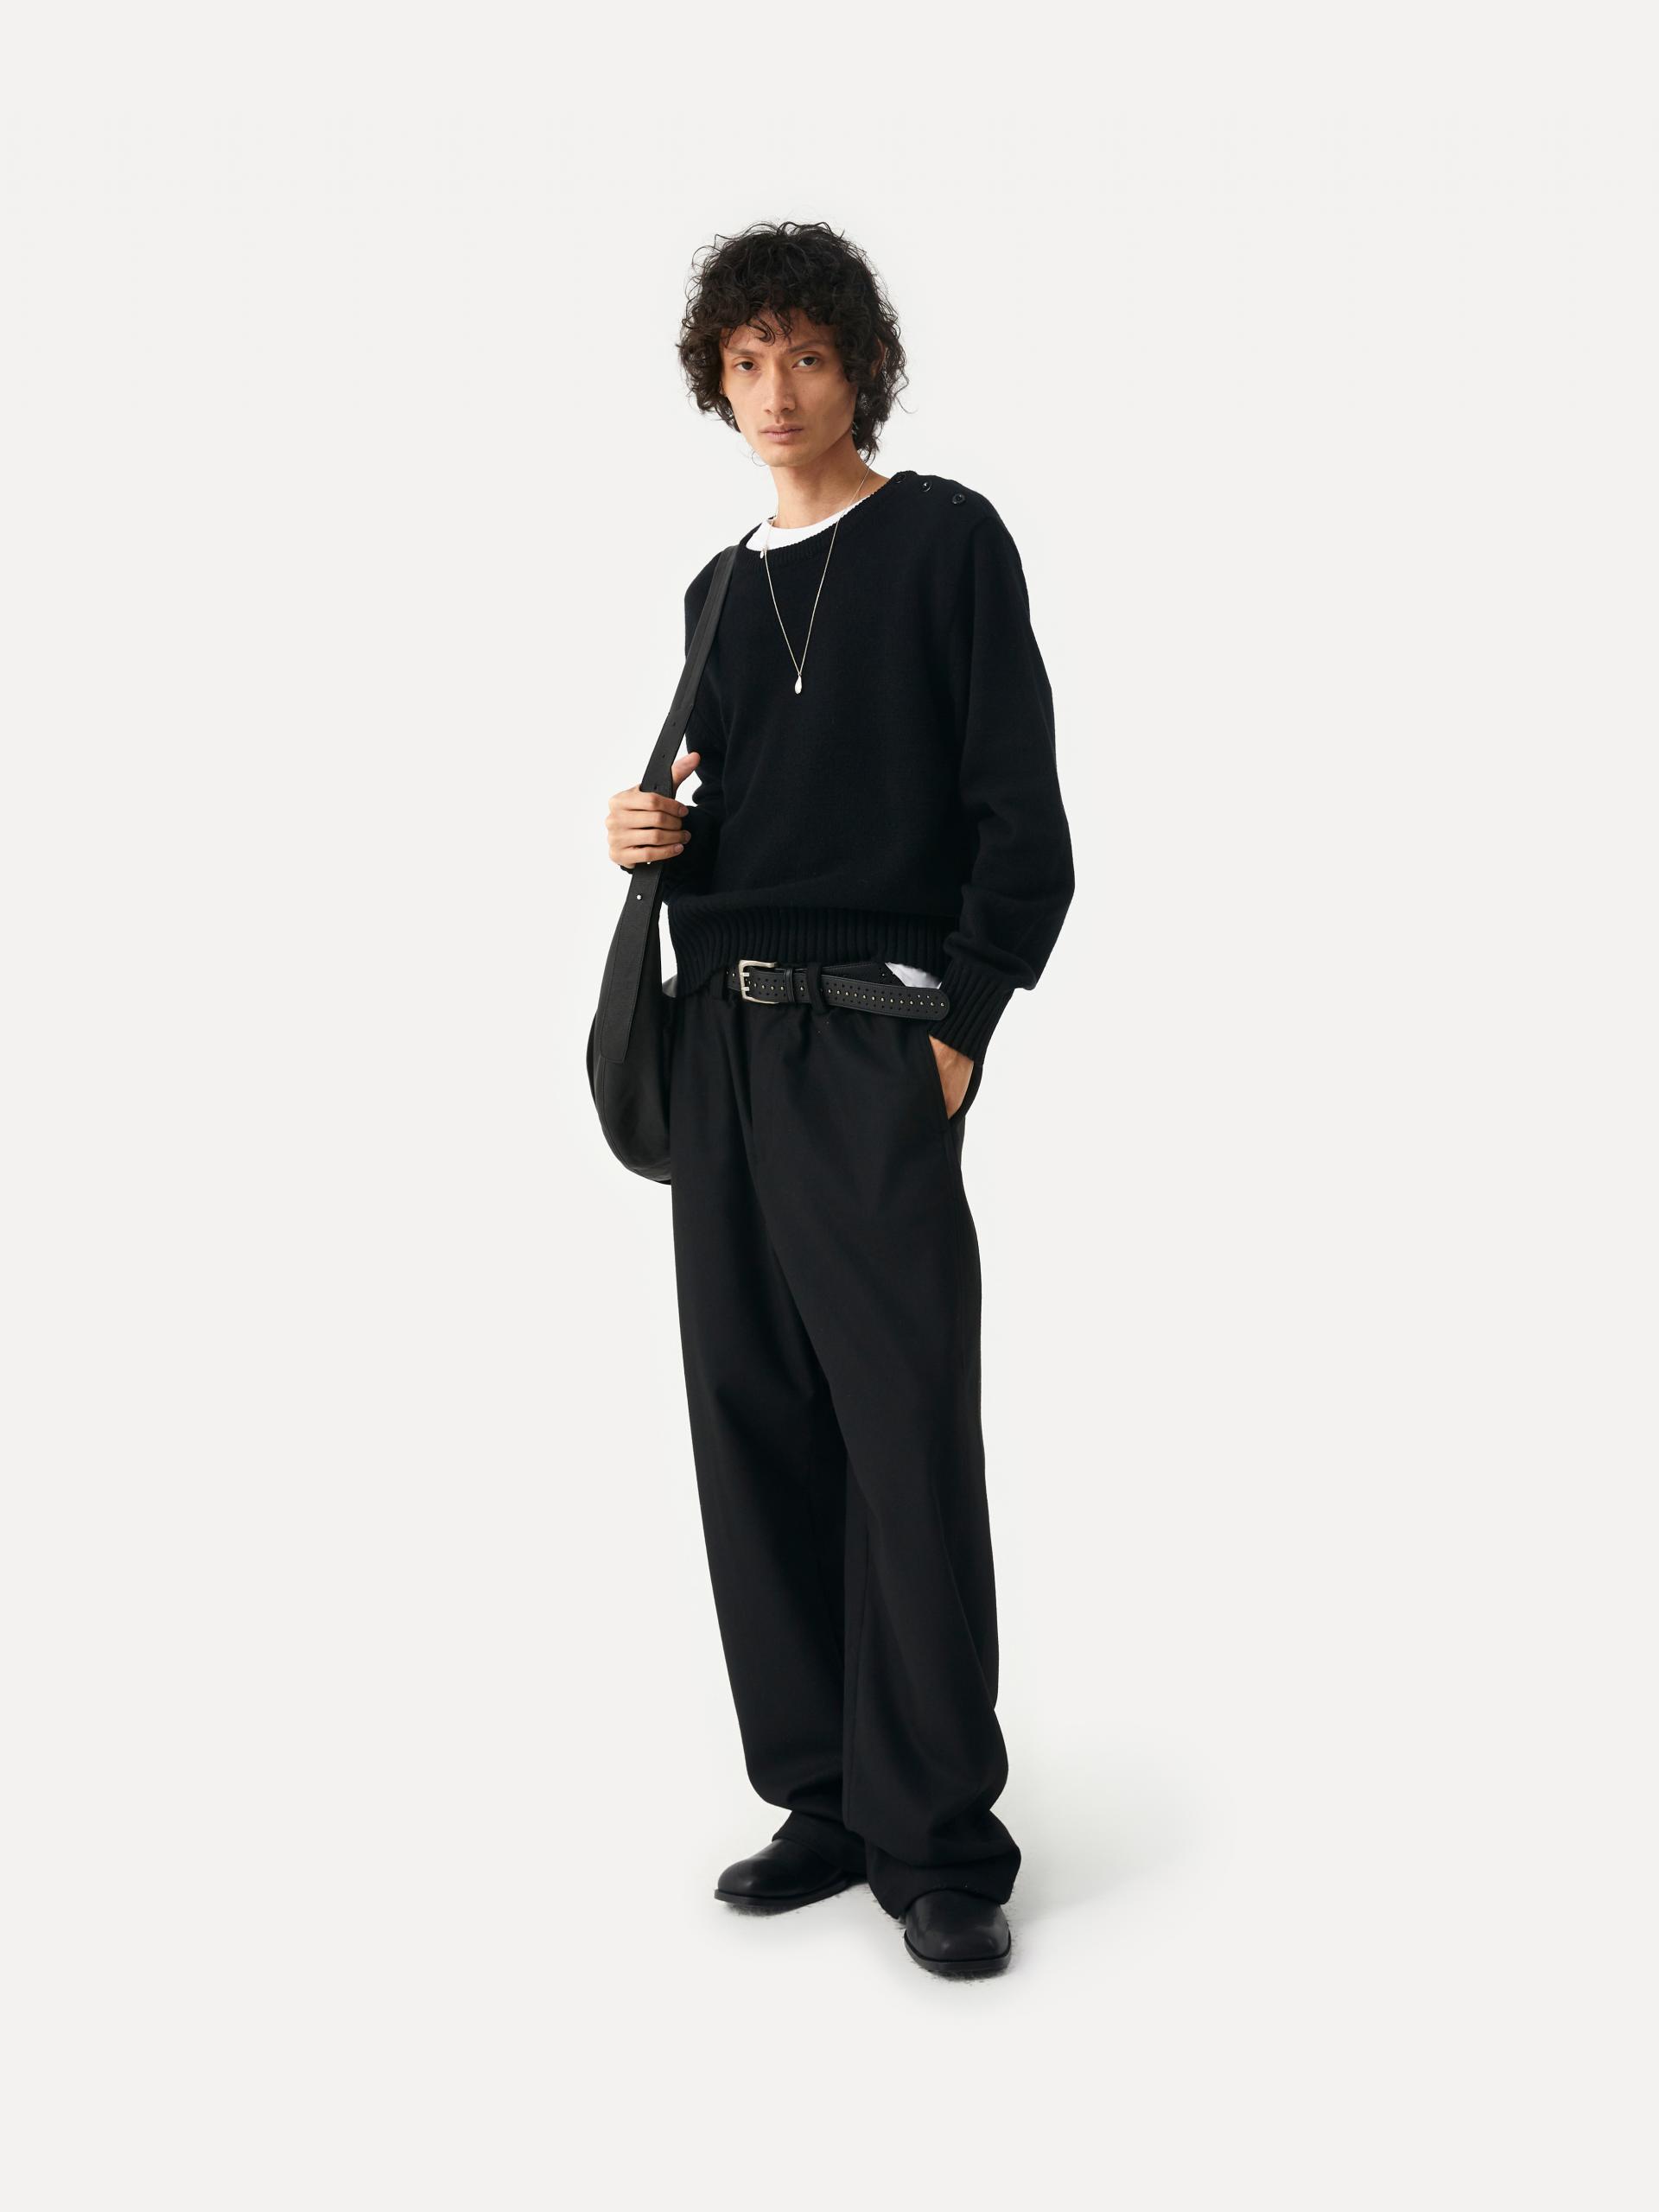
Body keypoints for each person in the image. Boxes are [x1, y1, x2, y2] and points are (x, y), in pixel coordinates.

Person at [603, 219, 1075, 1977]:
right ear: (715, 383)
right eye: (748, 362)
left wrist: (960, 1023)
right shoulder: (718, 593)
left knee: (903, 1429)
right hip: (718, 1037)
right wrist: (648, 830)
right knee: (756, 1421)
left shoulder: (947, 538)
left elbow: (1020, 813)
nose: (778, 391)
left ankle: (938, 1833)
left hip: (873, 1038)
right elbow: (723, 803)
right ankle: (823, 1790)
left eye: (806, 355)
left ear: (858, 367)